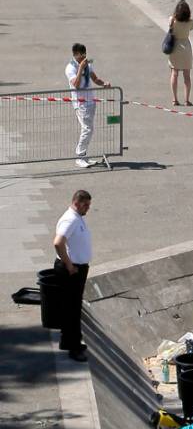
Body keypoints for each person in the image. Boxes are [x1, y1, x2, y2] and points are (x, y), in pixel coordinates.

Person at [53, 188, 93, 361]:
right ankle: (73, 347)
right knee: (72, 309)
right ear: (76, 203)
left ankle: (69, 341)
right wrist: (69, 266)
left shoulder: (77, 218)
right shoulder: (70, 220)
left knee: (72, 307)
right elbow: (58, 243)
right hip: (72, 269)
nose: (88, 208)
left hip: (77, 267)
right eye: (85, 205)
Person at [66, 42, 110, 168]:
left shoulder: (87, 64)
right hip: (81, 103)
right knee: (87, 129)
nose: (84, 57)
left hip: (91, 100)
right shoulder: (70, 68)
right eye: (81, 54)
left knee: (89, 129)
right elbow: (76, 84)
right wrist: (80, 68)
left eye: (85, 54)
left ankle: (84, 155)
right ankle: (79, 156)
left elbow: (95, 79)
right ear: (75, 55)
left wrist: (103, 84)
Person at [165, 0, 193, 108]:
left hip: (175, 47)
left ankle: (175, 99)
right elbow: (191, 28)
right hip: (186, 47)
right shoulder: (190, 22)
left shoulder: (172, 20)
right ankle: (187, 100)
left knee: (174, 73)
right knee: (187, 76)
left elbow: (170, 24)